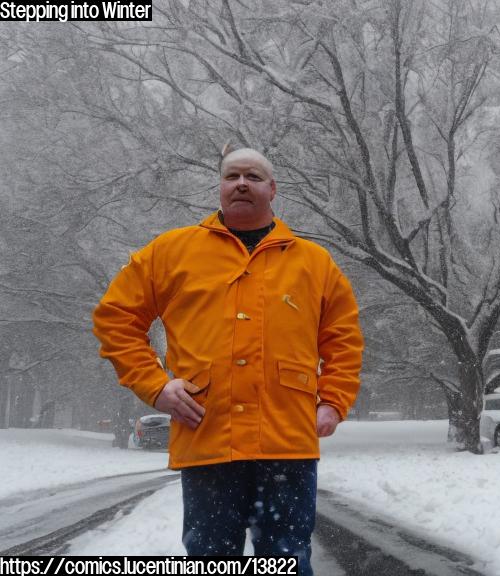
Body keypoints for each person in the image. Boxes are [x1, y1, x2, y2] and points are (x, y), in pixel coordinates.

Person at [92, 147, 363, 574]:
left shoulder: (315, 263)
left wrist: (333, 401)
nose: (241, 183)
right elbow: (115, 317)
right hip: (208, 437)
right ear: (218, 187)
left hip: (287, 445)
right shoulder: (172, 251)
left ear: (273, 189)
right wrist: (156, 385)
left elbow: (343, 340)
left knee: (287, 562)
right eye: (232, 175)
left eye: (253, 176)